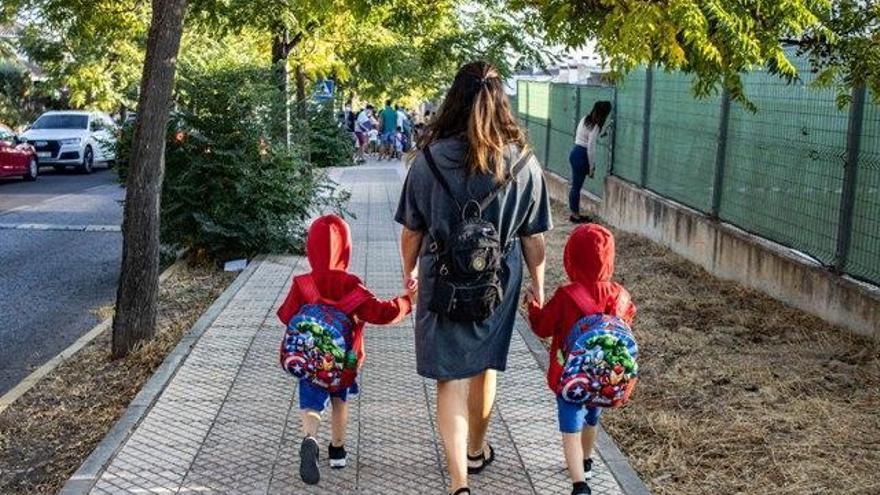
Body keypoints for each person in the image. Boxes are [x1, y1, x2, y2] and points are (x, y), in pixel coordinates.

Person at [396, 61, 552, 495]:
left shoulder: (426, 161)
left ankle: (458, 483)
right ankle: (476, 450)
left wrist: (408, 273)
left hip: (441, 281)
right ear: (502, 100)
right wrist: (539, 289)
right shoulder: (523, 163)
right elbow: (533, 239)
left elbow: (412, 232)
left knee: (451, 378)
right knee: (484, 367)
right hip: (498, 284)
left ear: (453, 99)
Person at [277, 215, 413, 486]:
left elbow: (286, 317)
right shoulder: (351, 284)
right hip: (345, 361)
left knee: (311, 404)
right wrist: (408, 302)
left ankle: (310, 438)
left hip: (310, 360)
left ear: (311, 248)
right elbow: (381, 313)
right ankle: (337, 450)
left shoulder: (303, 283)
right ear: (347, 249)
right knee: (340, 402)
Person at [525, 224, 635, 495]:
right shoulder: (620, 296)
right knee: (592, 416)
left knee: (570, 426)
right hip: (607, 378)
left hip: (571, 377)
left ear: (570, 259)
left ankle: (579, 485)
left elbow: (542, 327)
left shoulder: (566, 296)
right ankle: (587, 462)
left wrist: (532, 305)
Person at [569, 101, 612, 223]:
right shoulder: (596, 126)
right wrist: (592, 167)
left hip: (575, 151)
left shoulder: (584, 119)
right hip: (582, 154)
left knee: (574, 186)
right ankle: (575, 216)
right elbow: (591, 148)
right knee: (576, 187)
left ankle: (574, 213)